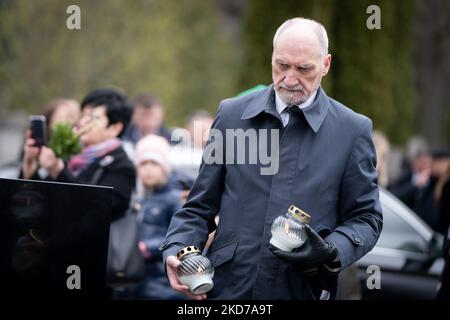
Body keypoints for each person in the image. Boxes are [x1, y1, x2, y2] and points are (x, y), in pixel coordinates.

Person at [161, 17, 383, 300]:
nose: (290, 79)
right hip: (229, 290)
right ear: (272, 58)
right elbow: (199, 206)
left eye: (304, 69)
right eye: (281, 65)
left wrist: (331, 251)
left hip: (301, 290)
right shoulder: (231, 116)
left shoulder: (353, 130)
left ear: (325, 65)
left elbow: (367, 217)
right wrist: (177, 247)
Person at [21, 88, 135, 222]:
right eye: (83, 115)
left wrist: (59, 171)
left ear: (115, 128)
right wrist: (29, 167)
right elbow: (37, 202)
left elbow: (96, 208)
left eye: (94, 117)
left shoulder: (121, 166)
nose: (83, 122)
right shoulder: (69, 156)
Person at [130, 134, 185, 299]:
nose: (148, 169)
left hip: (162, 279)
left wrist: (147, 247)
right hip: (138, 277)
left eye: (154, 163)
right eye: (143, 164)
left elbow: (179, 236)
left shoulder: (175, 199)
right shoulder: (138, 199)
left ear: (164, 167)